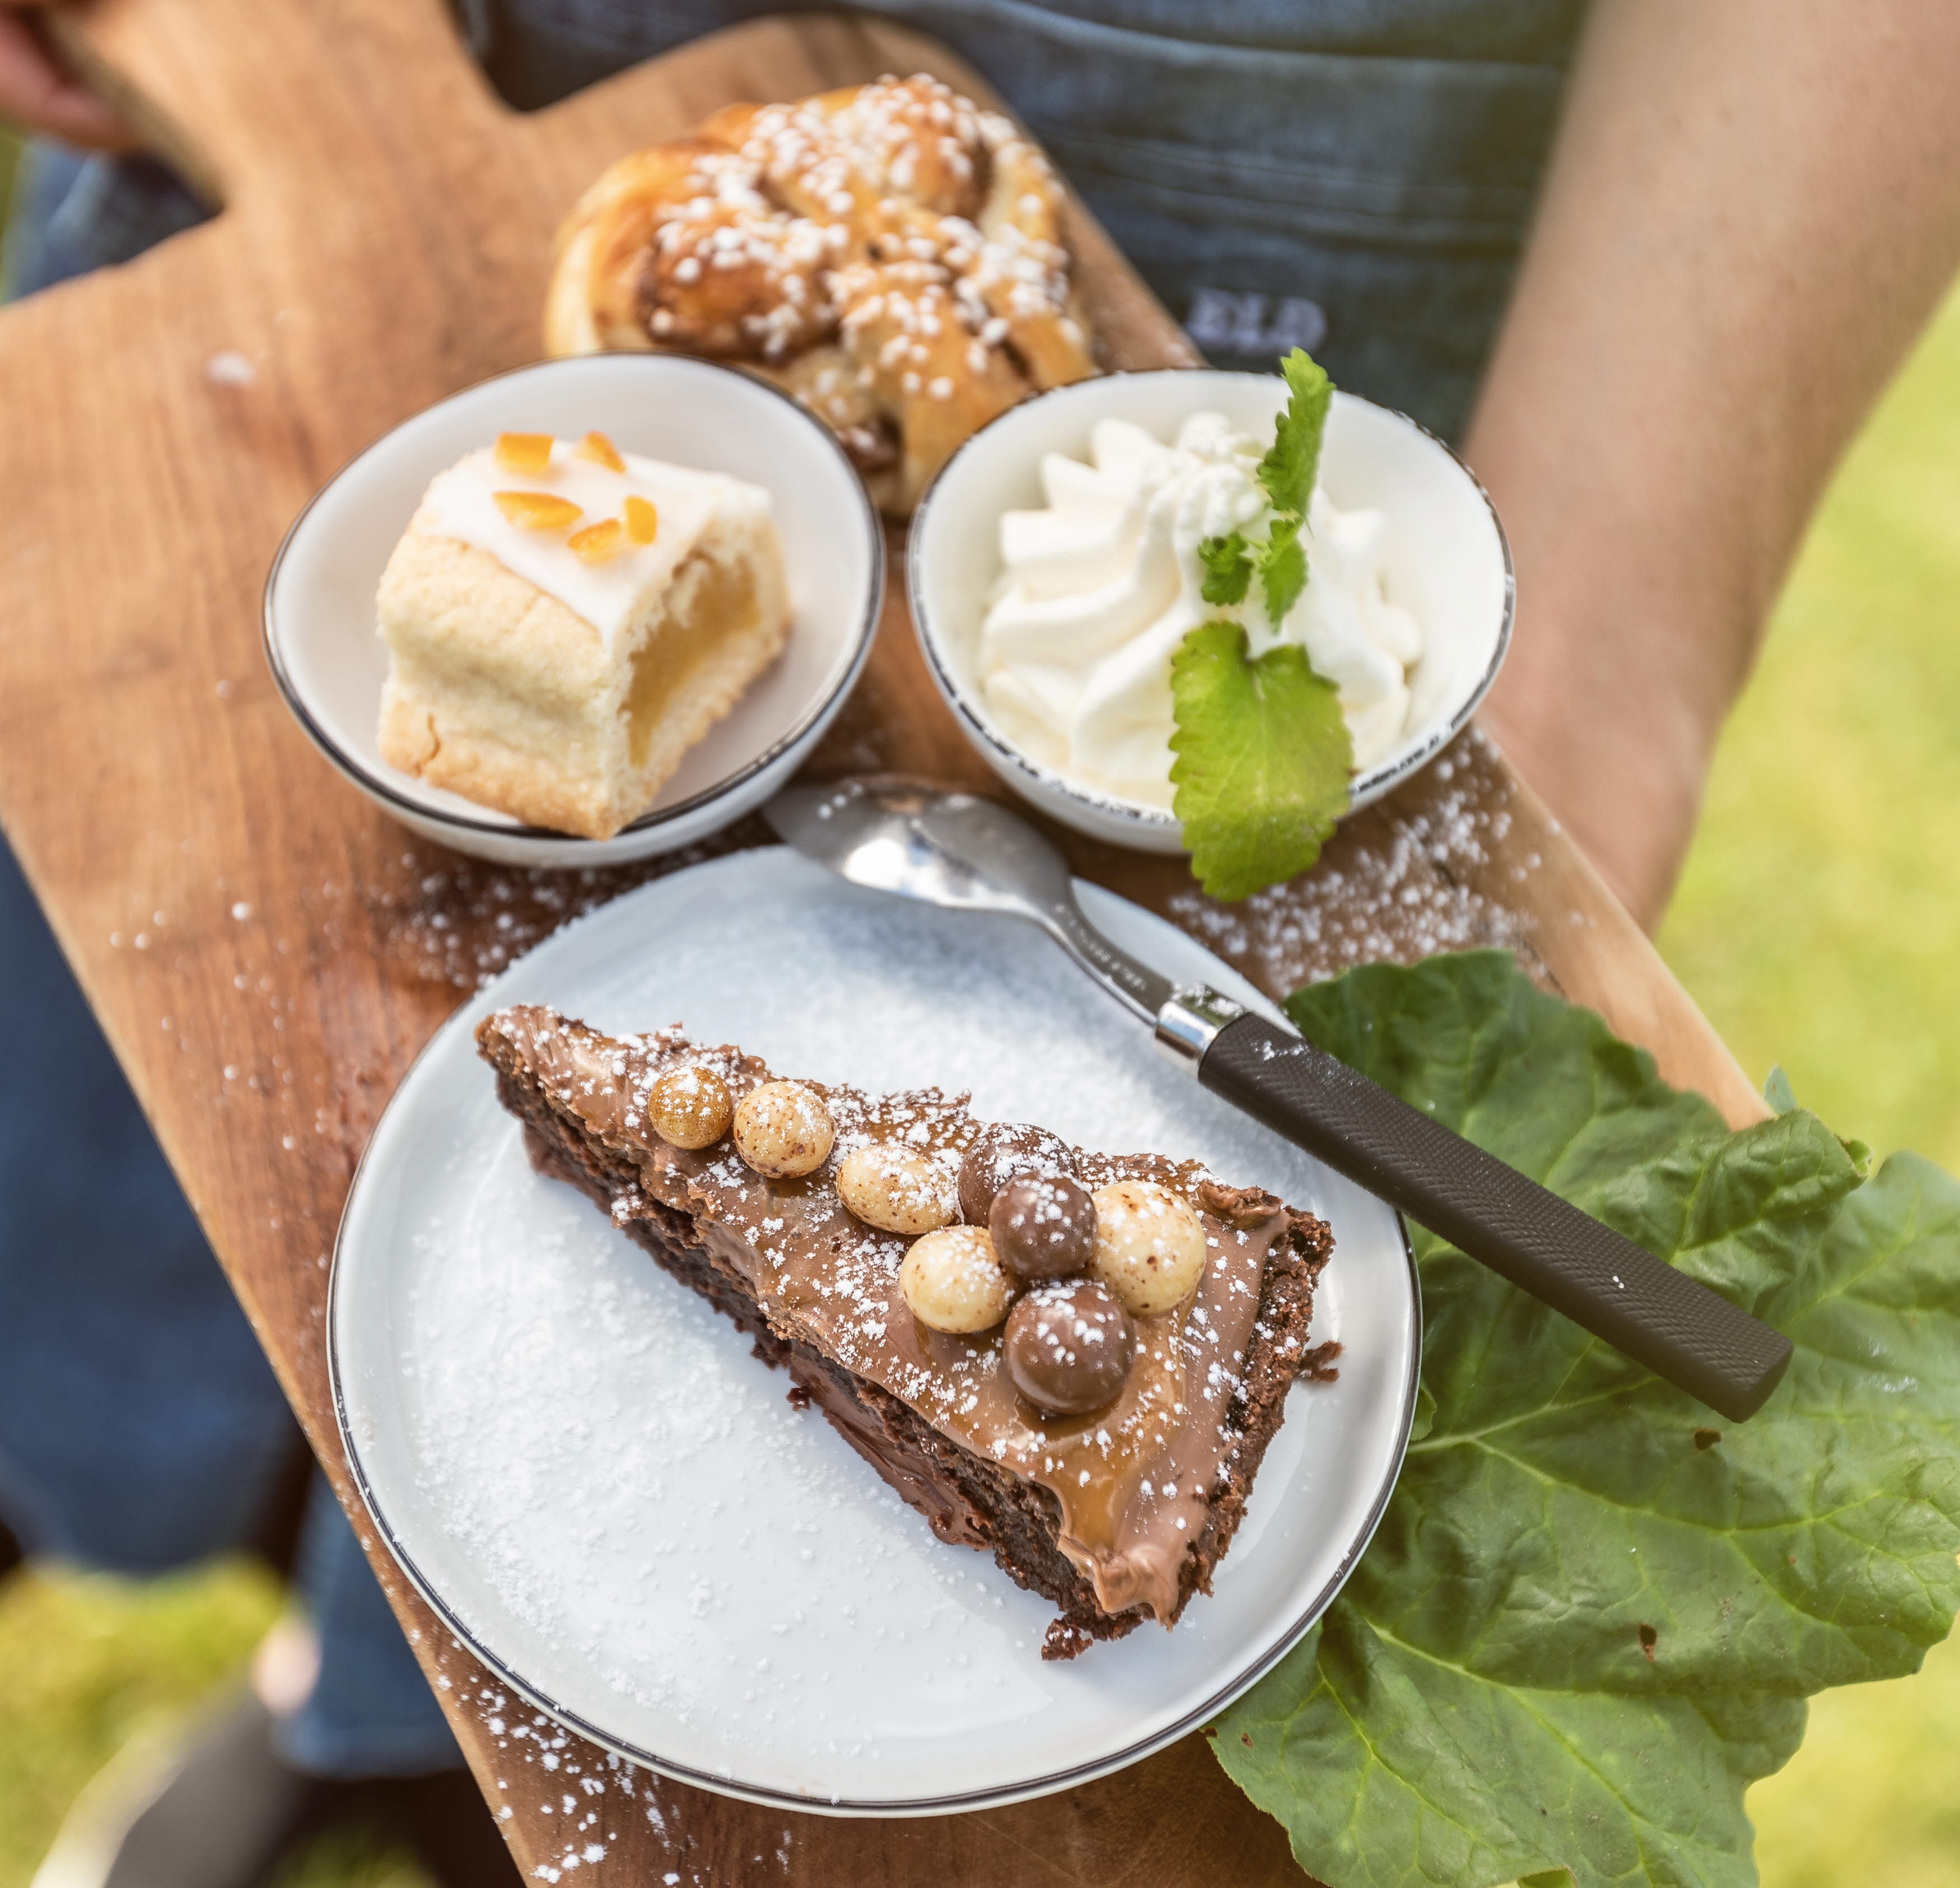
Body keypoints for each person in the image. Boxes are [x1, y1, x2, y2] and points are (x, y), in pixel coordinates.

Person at [3, 0, 1958, 1880]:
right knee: (185, 1171)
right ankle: (344, 1689)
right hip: (411, 86)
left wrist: (1610, 673)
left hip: (1247, 166)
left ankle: (412, 1752)